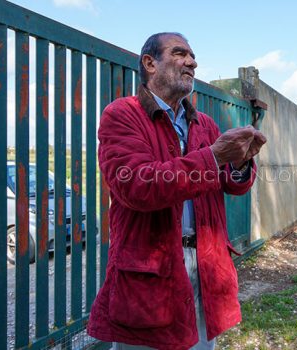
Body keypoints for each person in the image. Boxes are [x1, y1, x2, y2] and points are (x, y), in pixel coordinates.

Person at [87, 32, 266, 350]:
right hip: (150, 271)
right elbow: (137, 185)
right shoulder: (123, 114)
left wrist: (240, 163)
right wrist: (213, 157)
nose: (192, 62)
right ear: (149, 63)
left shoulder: (205, 124)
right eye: (180, 53)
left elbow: (231, 184)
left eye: (193, 56)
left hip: (206, 267)